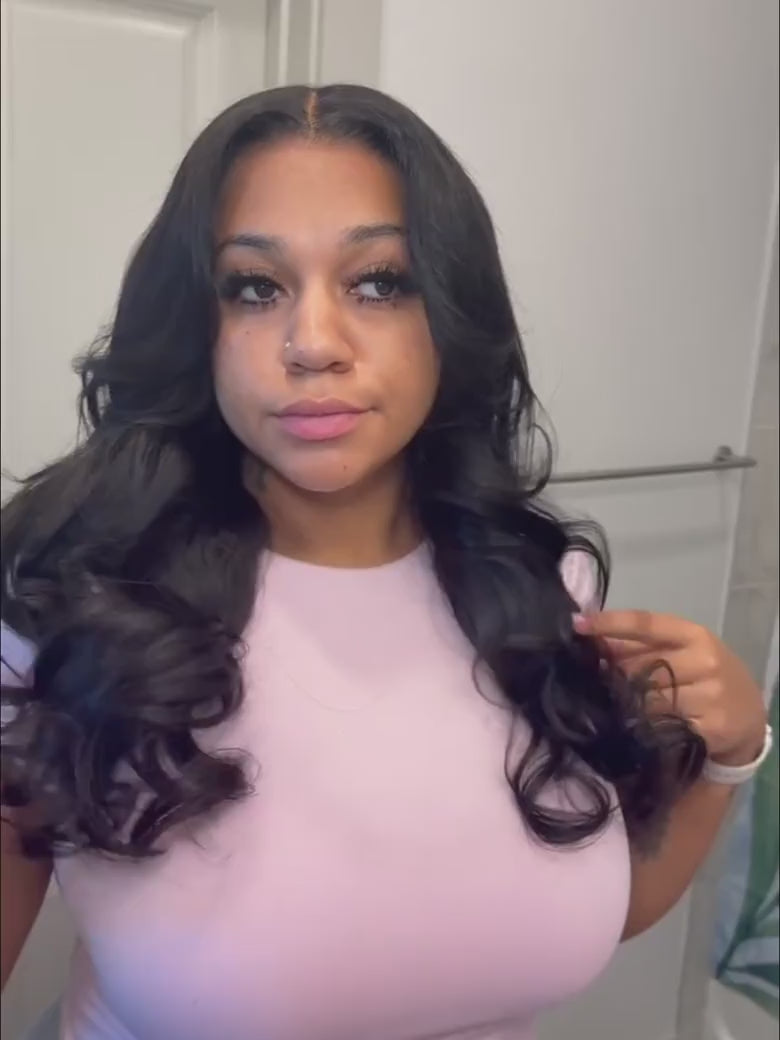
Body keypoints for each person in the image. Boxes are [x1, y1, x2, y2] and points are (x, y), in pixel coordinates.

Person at [0, 84, 771, 1040]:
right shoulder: (71, 606)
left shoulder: (539, 587)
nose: (314, 344)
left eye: (378, 282)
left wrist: (730, 754)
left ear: (450, 313)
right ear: (195, 326)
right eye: (255, 288)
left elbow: (568, 917)